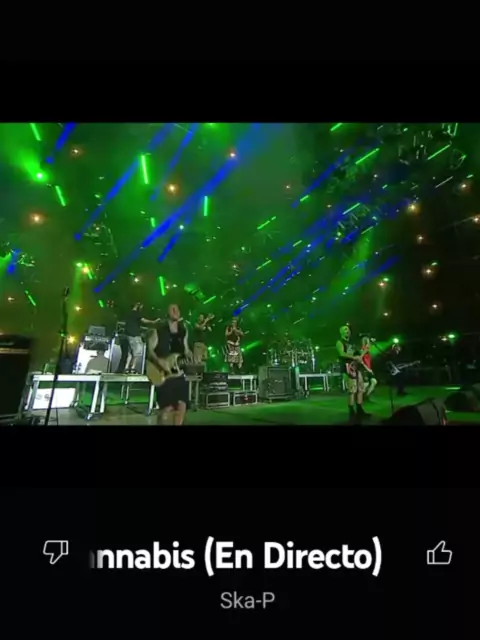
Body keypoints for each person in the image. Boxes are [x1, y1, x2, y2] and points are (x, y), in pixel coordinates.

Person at [146, 304, 192, 426]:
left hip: (179, 373)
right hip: (163, 375)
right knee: (166, 409)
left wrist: (191, 355)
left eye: (177, 309)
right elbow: (150, 351)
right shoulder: (159, 330)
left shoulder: (183, 331)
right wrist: (159, 361)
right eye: (172, 309)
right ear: (167, 313)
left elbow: (186, 350)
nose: (176, 311)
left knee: (182, 406)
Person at [336, 325, 371, 424]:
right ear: (341, 332)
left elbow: (359, 354)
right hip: (347, 368)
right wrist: (353, 357)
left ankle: (360, 410)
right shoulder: (340, 342)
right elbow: (341, 353)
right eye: (345, 329)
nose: (347, 331)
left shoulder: (352, 343)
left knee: (360, 388)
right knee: (352, 390)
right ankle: (352, 412)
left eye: (348, 329)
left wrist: (364, 351)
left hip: (356, 367)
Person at [123, 302, 159, 373]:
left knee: (130, 353)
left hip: (128, 335)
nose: (141, 308)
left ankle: (126, 368)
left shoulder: (129, 313)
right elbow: (144, 321)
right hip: (134, 335)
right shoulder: (136, 313)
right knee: (137, 352)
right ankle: (132, 368)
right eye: (141, 307)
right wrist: (153, 322)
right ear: (137, 306)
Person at [361, 336, 378, 402]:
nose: (369, 344)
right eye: (368, 342)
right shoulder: (362, 350)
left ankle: (366, 396)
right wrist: (367, 369)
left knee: (374, 382)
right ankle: (361, 397)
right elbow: (361, 361)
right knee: (366, 384)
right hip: (364, 369)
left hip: (369, 369)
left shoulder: (368, 350)